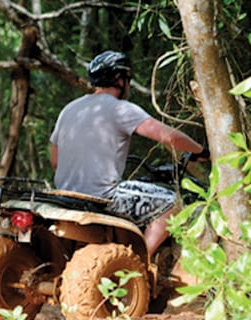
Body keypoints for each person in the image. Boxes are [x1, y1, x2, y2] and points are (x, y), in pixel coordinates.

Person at [49, 50, 207, 257]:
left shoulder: (70, 109)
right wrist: (200, 151)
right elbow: (167, 135)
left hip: (65, 194)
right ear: (119, 79)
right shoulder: (120, 109)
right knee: (174, 203)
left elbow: (55, 161)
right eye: (127, 79)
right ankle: (140, 263)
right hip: (103, 197)